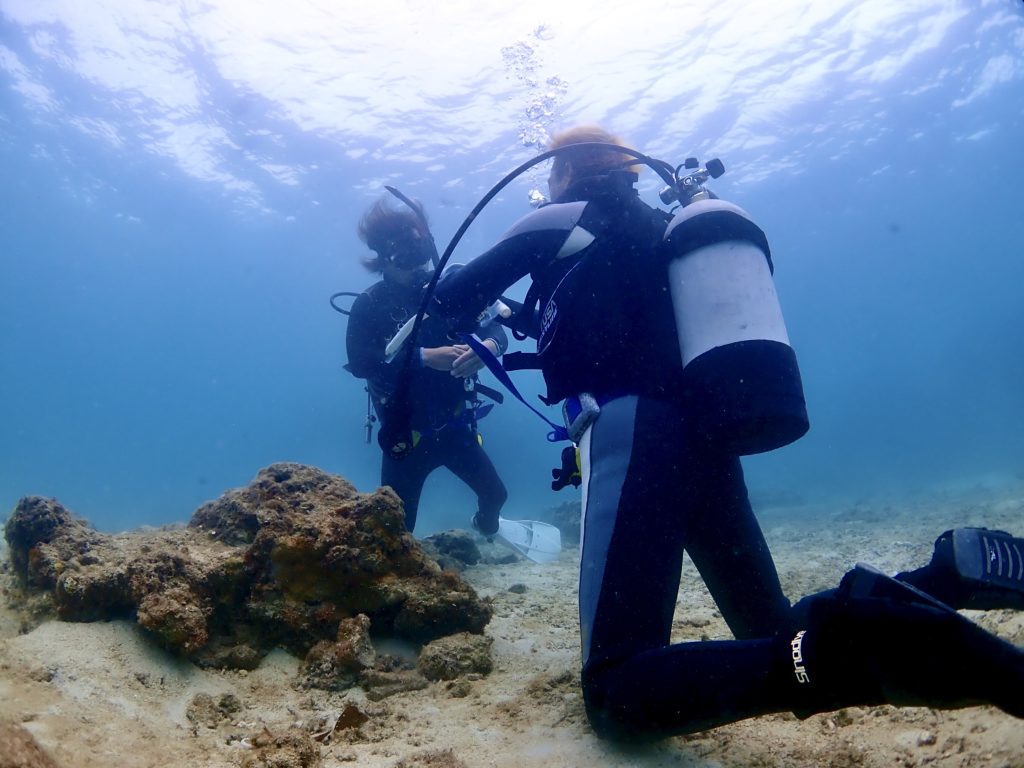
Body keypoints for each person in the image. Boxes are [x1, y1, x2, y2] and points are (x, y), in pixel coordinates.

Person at [431, 125, 1024, 739]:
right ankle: (945, 578)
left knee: (616, 690)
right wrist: (514, 319)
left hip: (633, 433)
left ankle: (855, 655)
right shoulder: (656, 229)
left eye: (549, 176)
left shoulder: (564, 215)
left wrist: (480, 324)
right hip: (705, 436)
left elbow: (448, 296)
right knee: (774, 634)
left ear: (565, 170)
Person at [345, 197, 509, 535]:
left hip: (455, 429)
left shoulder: (451, 287)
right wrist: (424, 357)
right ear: (383, 254)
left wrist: (488, 347)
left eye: (419, 244)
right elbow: (362, 363)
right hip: (405, 437)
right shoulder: (370, 304)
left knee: (496, 495)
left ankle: (486, 528)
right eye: (405, 248)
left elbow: (496, 327)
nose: (416, 257)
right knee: (397, 530)